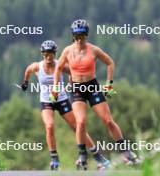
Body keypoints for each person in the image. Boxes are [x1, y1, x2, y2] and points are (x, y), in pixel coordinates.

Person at [50, 19, 139, 169]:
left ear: (86, 35)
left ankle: (127, 153)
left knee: (108, 121)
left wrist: (109, 84)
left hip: (92, 87)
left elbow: (110, 62)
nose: (79, 39)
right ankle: (82, 156)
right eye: (76, 36)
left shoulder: (94, 50)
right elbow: (58, 69)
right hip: (77, 89)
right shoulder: (67, 51)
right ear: (72, 36)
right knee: (81, 122)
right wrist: (55, 88)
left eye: (82, 36)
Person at [20, 40, 110, 170]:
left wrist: (72, 83)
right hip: (46, 101)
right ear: (42, 54)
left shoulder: (60, 65)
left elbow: (74, 73)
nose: (48, 57)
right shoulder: (37, 67)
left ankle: (97, 156)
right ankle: (54, 159)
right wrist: (25, 83)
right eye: (45, 54)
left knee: (77, 127)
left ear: (55, 54)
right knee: (49, 126)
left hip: (62, 100)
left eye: (50, 54)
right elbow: (28, 70)